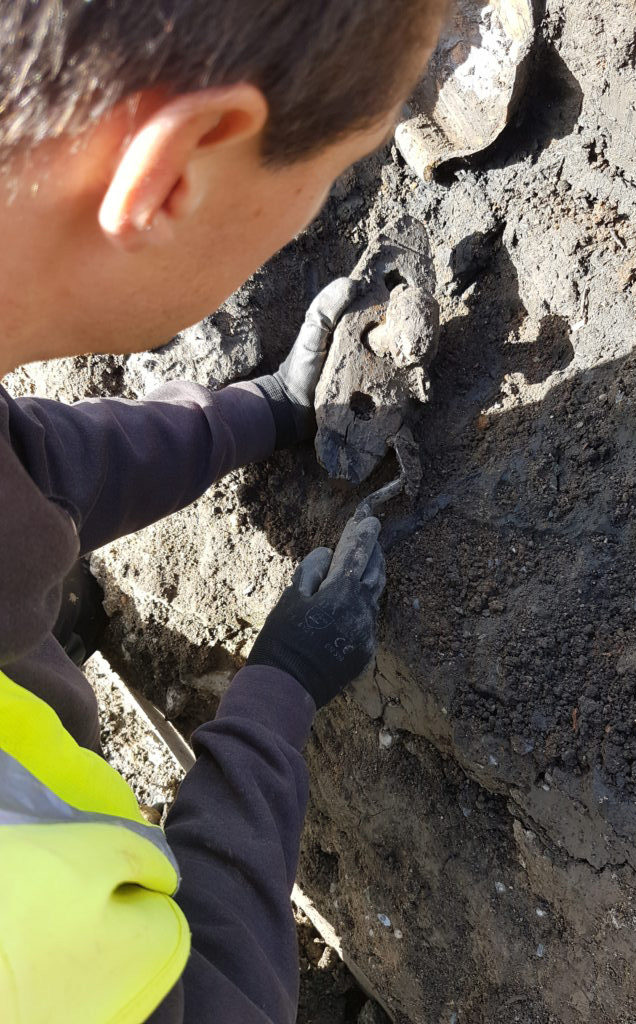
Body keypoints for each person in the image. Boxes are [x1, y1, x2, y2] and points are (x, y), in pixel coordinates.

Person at [0, 2, 448, 1022]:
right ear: (176, 170)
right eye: (331, 177)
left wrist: (260, 412)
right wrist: (279, 693)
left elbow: (19, 483)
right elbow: (218, 996)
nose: (313, 209)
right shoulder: (23, 948)